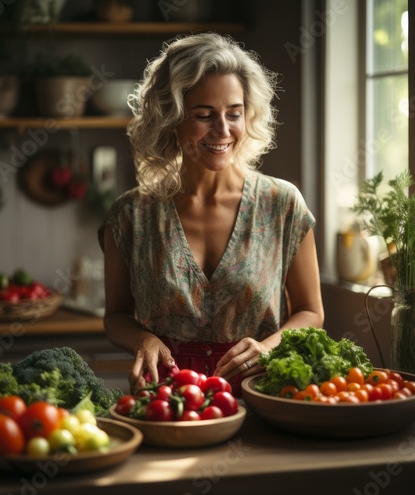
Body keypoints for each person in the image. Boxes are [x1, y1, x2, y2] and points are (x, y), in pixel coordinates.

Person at [98, 32, 324, 395]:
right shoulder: (130, 215)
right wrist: (144, 340)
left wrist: (267, 348)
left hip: (264, 393)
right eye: (204, 115)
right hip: (167, 400)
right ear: (170, 119)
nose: (223, 130)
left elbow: (311, 312)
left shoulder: (282, 203)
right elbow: (115, 318)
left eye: (234, 114)